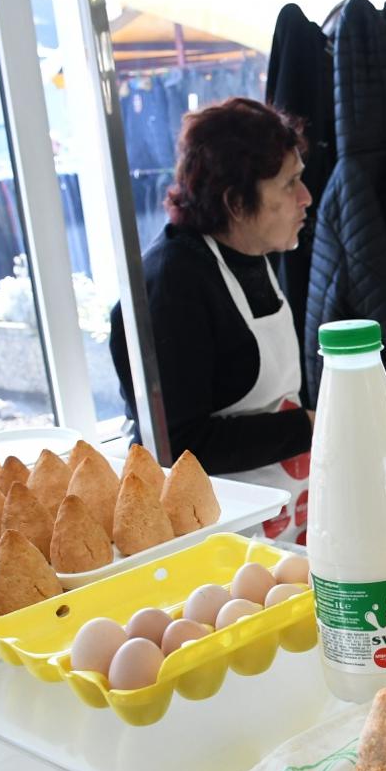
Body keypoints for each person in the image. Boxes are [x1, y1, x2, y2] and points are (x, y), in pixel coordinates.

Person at [109, 97, 315, 483]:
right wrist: (305, 427)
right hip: (220, 523)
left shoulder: (253, 250)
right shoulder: (172, 286)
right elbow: (182, 446)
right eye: (290, 184)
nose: (306, 197)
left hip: (281, 500)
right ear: (236, 202)